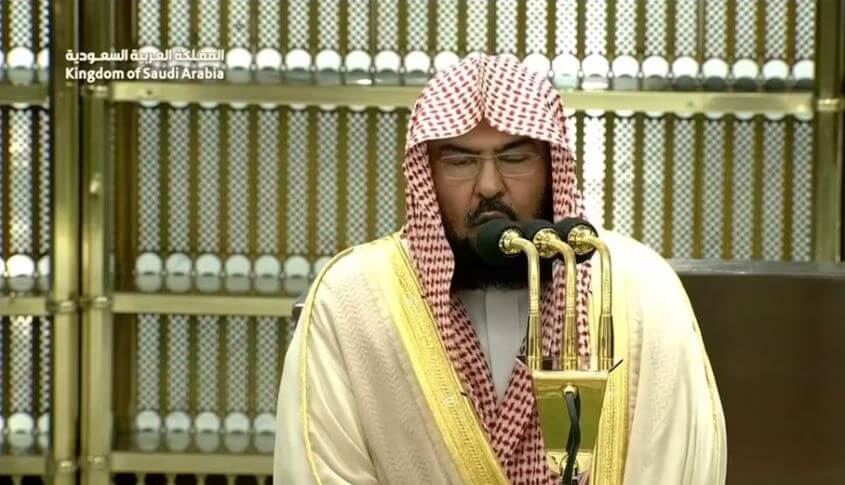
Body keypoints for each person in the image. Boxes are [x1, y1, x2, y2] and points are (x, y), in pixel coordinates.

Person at [275, 54, 726, 484]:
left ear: (551, 166)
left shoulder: (640, 292)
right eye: (460, 161)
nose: (489, 186)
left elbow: (678, 464)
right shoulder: (352, 305)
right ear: (427, 174)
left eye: (514, 158)